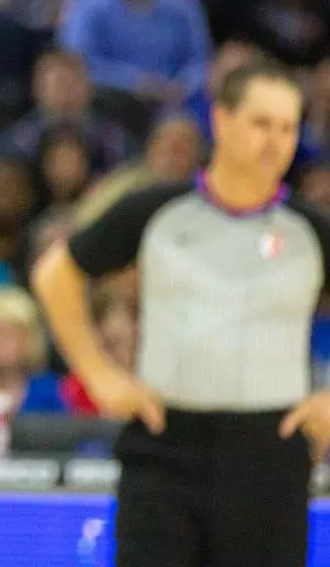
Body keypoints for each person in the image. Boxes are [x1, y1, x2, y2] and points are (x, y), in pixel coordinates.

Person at [31, 60, 330, 567]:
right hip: (164, 449)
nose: (275, 141)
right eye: (261, 123)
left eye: (288, 127)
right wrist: (99, 373)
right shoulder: (159, 211)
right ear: (222, 120)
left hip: (270, 454)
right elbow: (55, 274)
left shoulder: (310, 228)